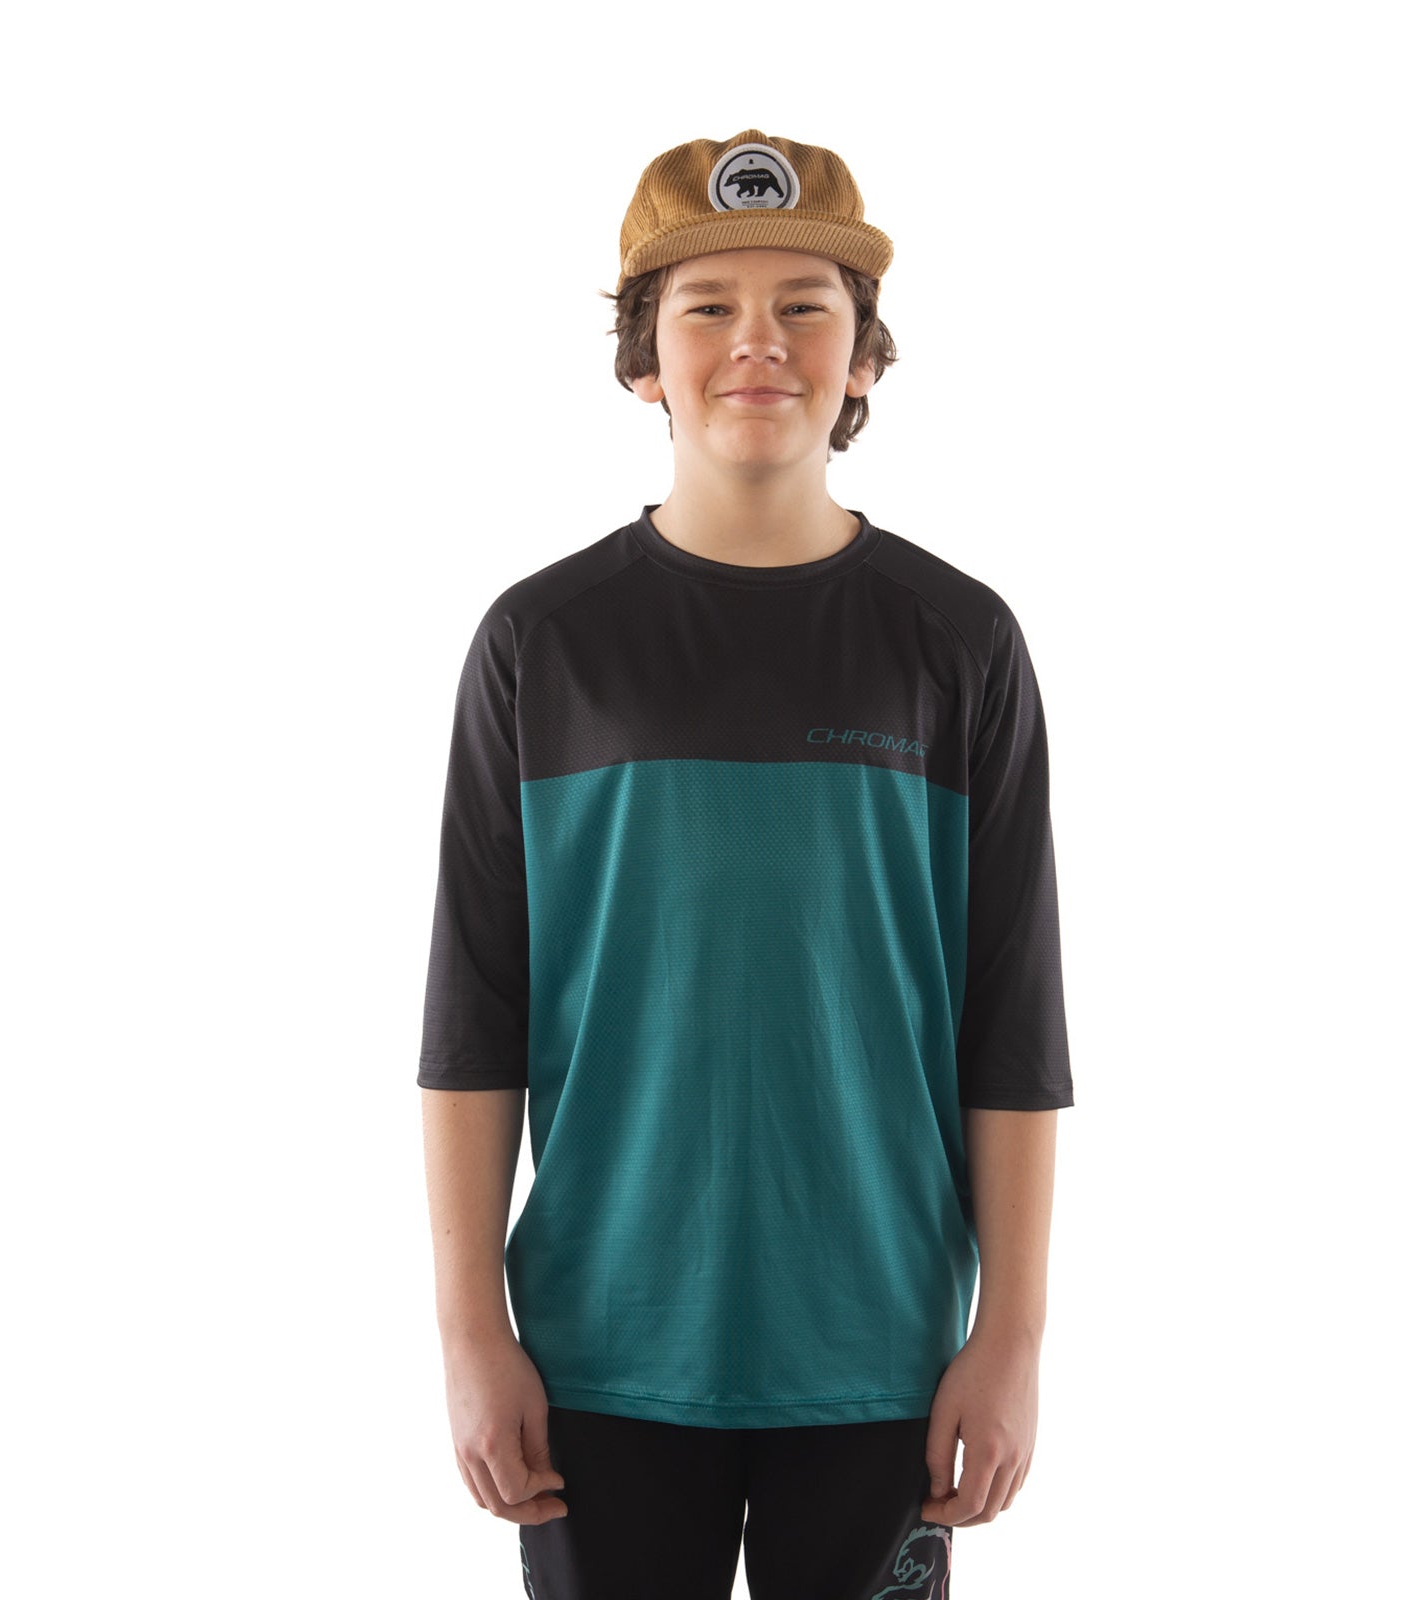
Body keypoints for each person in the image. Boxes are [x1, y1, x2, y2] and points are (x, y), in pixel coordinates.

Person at [417, 129, 1074, 1600]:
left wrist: (1013, 1337)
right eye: (707, 305)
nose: (756, 341)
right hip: (598, 1349)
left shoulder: (959, 641)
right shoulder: (542, 642)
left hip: (883, 1350)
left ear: (865, 358)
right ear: (644, 363)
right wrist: (471, 1334)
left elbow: (1013, 1022)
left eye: (804, 306)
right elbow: (474, 1018)